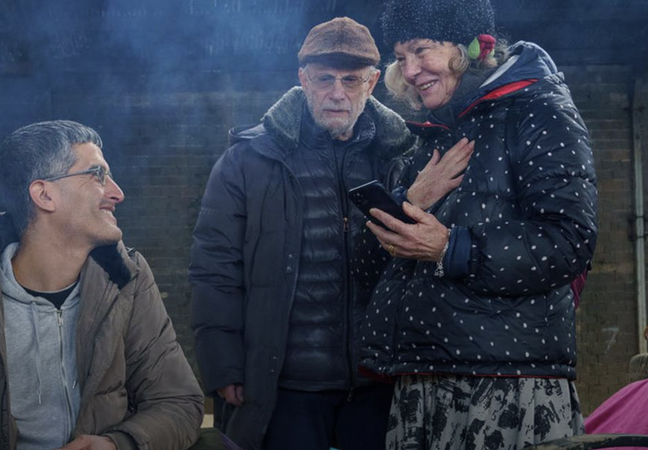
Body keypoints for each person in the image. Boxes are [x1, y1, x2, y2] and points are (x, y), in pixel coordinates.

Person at [189, 16, 474, 450]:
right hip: (286, 386)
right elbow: (214, 267)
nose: (337, 93)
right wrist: (223, 364)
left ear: (372, 82)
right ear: (303, 79)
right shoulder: (249, 160)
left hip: (381, 381)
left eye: (351, 80)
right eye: (324, 79)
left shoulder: (406, 155)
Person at [358, 0, 598, 449]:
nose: (410, 70)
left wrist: (450, 248)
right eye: (401, 56)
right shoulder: (431, 136)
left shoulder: (538, 110)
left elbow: (569, 241)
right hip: (423, 379)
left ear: (472, 47)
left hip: (508, 382)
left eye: (421, 50)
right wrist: (411, 202)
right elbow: (371, 269)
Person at [0, 120, 204, 450]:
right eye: (98, 175)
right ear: (45, 194)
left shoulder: (127, 282)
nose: (117, 193)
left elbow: (179, 402)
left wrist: (117, 444)